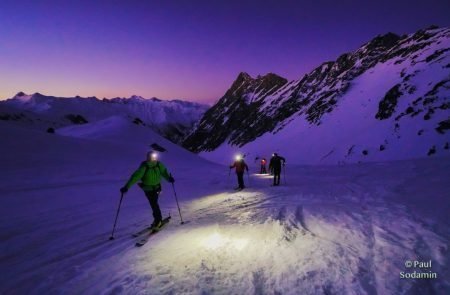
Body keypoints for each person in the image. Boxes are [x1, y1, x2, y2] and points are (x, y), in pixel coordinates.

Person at [120, 151, 175, 229]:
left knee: (154, 204)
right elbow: (135, 177)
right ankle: (157, 219)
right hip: (148, 189)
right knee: (154, 204)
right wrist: (126, 186)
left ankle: (158, 220)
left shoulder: (159, 164)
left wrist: (169, 179)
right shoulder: (144, 167)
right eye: (152, 157)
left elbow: (164, 172)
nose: (154, 158)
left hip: (157, 188)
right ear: (148, 157)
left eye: (155, 157)